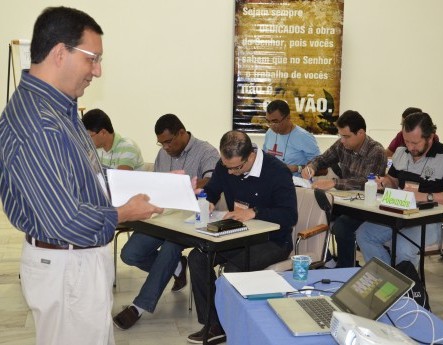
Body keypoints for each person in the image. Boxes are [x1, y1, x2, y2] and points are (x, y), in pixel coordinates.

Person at [0, 7, 159, 345]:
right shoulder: (39, 124)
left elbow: (91, 177)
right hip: (67, 264)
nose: (98, 71)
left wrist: (160, 185)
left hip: (75, 262)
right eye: (93, 59)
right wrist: (126, 213)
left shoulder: (60, 109)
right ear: (61, 53)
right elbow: (64, 219)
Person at [187, 130, 298, 344]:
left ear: (250, 157)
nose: (229, 173)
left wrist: (255, 212)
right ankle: (213, 324)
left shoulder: (277, 172)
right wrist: (207, 201)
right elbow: (212, 189)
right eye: (225, 166)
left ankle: (234, 326)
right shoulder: (226, 165)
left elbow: (289, 215)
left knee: (234, 270)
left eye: (236, 168)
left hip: (273, 240)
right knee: (197, 258)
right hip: (236, 235)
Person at [113, 114, 220, 330]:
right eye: (161, 143)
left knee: (169, 250)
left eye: (169, 141)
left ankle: (138, 307)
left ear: (182, 133)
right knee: (130, 254)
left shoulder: (206, 151)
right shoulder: (163, 153)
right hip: (163, 218)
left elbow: (212, 180)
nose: (166, 147)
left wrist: (184, 184)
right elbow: (158, 185)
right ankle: (178, 268)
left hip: (191, 222)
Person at [357, 112, 443, 266]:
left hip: (435, 221)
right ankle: (389, 281)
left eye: (415, 143)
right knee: (364, 234)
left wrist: (425, 197)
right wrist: (384, 182)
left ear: (430, 137)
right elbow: (393, 180)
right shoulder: (400, 152)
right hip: (401, 214)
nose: (410, 147)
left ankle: (406, 288)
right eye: (406, 141)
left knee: (403, 245)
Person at [301, 110, 386, 268]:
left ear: (360, 133)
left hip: (367, 207)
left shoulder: (376, 151)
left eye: (346, 136)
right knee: (311, 217)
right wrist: (312, 167)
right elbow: (323, 159)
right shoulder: (342, 145)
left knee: (341, 228)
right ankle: (326, 261)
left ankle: (346, 268)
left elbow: (365, 181)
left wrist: (334, 183)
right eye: (340, 135)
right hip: (344, 201)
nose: (342, 140)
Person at [263, 99, 320, 176]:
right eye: (268, 121)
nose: (271, 125)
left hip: (295, 184)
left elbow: (322, 169)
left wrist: (297, 168)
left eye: (275, 121)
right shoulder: (270, 133)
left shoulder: (304, 137)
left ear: (288, 118)